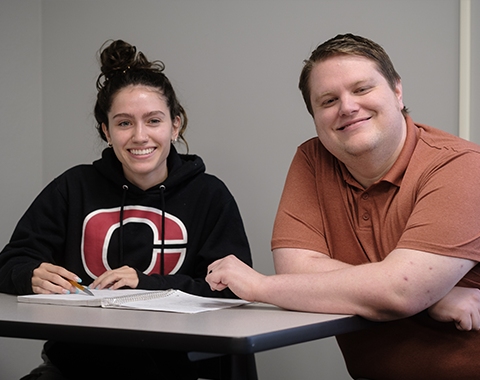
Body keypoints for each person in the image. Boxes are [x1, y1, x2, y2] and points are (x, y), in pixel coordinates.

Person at [206, 33, 480, 380]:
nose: (347, 107)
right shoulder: (313, 159)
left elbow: (401, 291)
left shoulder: (462, 165)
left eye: (362, 89)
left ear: (397, 91)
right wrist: (427, 297)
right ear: (315, 115)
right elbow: (296, 271)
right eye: (328, 100)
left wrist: (260, 287)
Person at [0, 39, 252, 380]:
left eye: (153, 121)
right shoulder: (73, 188)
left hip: (180, 370)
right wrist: (27, 275)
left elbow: (234, 287)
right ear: (106, 131)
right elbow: (9, 263)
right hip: (78, 367)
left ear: (176, 125)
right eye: (123, 123)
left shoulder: (210, 195)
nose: (139, 136)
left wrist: (145, 283)